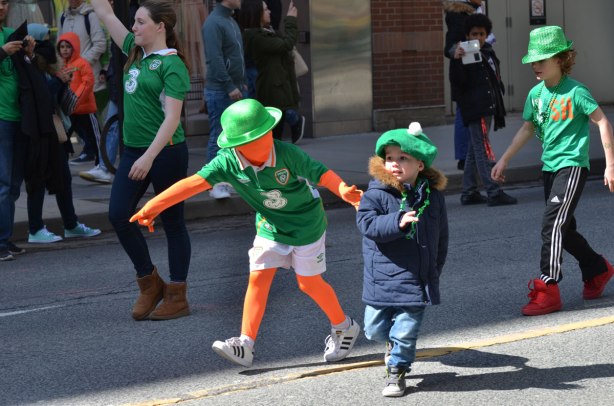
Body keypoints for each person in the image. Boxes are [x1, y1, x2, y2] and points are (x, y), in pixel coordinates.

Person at [130, 99, 363, 368]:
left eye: (267, 132)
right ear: (237, 145)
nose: (266, 140)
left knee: (308, 284)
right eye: (258, 137)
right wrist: (153, 206)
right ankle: (245, 344)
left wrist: (344, 190)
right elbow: (192, 184)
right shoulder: (227, 162)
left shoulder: (287, 154)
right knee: (258, 279)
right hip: (270, 226)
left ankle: (343, 326)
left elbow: (322, 175)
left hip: (306, 225)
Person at [491, 26, 614, 316]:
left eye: (541, 60)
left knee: (551, 225)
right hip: (549, 168)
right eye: (533, 61)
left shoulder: (576, 92)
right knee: (565, 229)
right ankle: (597, 269)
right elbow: (527, 128)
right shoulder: (536, 94)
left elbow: (602, 121)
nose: (535, 66)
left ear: (560, 59)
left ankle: (548, 286)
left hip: (571, 166)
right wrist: (504, 159)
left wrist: (610, 164)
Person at [90, 0, 192, 320]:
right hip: (134, 151)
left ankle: (177, 295)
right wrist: (141, 155)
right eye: (133, 22)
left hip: (166, 153)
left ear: (160, 26)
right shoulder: (135, 51)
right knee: (119, 215)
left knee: (173, 223)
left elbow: (172, 119)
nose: (133, 27)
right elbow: (106, 13)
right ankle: (150, 283)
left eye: (140, 22)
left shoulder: (172, 65)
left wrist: (150, 156)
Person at [357, 122, 449, 397]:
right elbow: (367, 225)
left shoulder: (433, 198)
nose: (394, 164)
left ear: (420, 165)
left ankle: (396, 372)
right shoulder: (375, 194)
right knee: (373, 330)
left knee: (406, 331)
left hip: (415, 278)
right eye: (389, 158)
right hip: (381, 279)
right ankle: (393, 346)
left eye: (402, 158)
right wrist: (397, 221)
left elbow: (441, 236)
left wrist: (434, 268)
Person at [450, 13, 517, 207]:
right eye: (473, 34)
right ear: (467, 35)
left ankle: (469, 192)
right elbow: (459, 82)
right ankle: (494, 191)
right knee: (483, 149)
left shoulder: (487, 51)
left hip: (488, 106)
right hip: (476, 108)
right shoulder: (464, 53)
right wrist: (458, 58)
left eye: (481, 34)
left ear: (486, 34)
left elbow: (492, 77)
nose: (477, 38)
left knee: (474, 149)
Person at [241, 0, 305, 144]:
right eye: (265, 9)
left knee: (277, 136)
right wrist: (290, 20)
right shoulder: (256, 37)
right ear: (256, 13)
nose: (269, 11)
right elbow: (287, 44)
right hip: (273, 91)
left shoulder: (265, 32)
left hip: (278, 89)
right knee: (274, 137)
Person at [202, 0, 246, 199]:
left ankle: (225, 181)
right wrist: (229, 85)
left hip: (232, 89)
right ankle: (215, 184)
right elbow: (214, 58)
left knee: (231, 138)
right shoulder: (214, 23)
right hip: (222, 90)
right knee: (218, 138)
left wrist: (238, 84)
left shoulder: (229, 20)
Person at [0, 0, 26, 261]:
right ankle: (1, 242)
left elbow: (36, 62)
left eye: (4, 2)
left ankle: (5, 237)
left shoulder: (9, 34)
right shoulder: (4, 42)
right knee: (5, 183)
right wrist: (3, 52)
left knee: (15, 182)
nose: (0, 6)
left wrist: (29, 51)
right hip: (1, 118)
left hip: (20, 117)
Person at [443, 0, 482, 171]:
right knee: (463, 114)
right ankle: (464, 157)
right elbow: (449, 47)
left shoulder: (473, 12)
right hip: (464, 73)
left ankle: (472, 155)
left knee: (471, 114)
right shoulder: (458, 15)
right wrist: (456, 50)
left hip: (473, 69)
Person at [57, 32, 102, 166]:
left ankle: (101, 162)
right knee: (65, 135)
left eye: (68, 47)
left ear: (75, 47)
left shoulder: (82, 63)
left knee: (95, 137)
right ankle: (61, 161)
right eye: (62, 47)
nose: (64, 50)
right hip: (71, 110)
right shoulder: (62, 65)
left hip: (85, 109)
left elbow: (87, 83)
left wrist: (75, 99)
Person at [59, 0, 107, 93]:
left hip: (89, 80)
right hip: (70, 81)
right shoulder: (63, 17)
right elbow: (59, 46)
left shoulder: (90, 16)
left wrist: (78, 65)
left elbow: (100, 44)